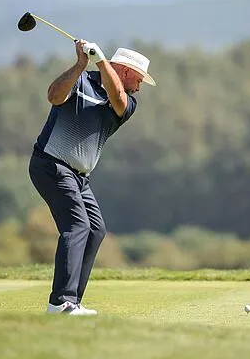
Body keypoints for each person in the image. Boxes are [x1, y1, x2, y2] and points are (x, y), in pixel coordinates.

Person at [28, 40, 156, 315]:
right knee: (77, 226)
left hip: (79, 177)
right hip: (51, 165)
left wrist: (101, 61)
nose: (140, 86)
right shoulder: (80, 79)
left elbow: (117, 97)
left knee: (95, 229)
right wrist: (80, 65)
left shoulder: (127, 102)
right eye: (139, 79)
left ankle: (72, 301)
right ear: (125, 71)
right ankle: (60, 302)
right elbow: (53, 97)